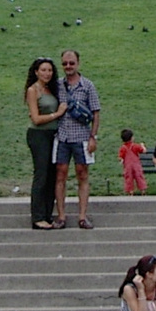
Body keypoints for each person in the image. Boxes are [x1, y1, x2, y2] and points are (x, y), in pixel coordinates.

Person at [52, 50, 100, 231]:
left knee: (82, 174)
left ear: (78, 63)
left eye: (71, 63)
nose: (68, 67)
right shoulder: (57, 85)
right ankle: (62, 216)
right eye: (64, 64)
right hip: (62, 136)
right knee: (60, 175)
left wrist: (93, 137)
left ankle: (82, 216)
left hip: (81, 138)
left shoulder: (87, 85)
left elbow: (96, 113)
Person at [23, 59, 63, 229]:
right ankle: (37, 216)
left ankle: (47, 214)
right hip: (39, 135)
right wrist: (57, 113)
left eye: (50, 70)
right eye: (43, 70)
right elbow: (36, 118)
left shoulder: (52, 89)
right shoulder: (33, 90)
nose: (47, 73)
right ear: (36, 72)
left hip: (54, 135)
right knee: (41, 174)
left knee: (52, 176)